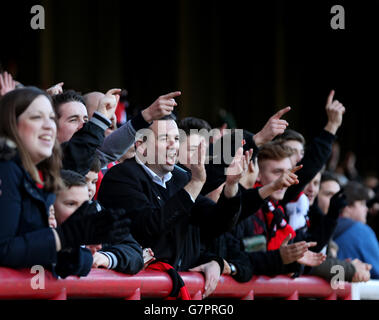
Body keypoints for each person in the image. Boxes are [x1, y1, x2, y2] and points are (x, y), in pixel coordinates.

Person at [98, 115, 246, 299]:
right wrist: (196, 183)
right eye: (164, 139)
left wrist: (231, 187)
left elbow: (217, 223)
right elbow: (149, 229)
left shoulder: (181, 177)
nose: (173, 145)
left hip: (173, 289)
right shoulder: (121, 177)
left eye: (176, 139)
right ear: (141, 145)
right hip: (137, 291)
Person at [0, 87, 130, 277]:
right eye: (36, 117)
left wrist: (77, 242)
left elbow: (51, 260)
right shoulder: (6, 170)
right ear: (12, 124)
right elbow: (4, 250)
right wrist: (63, 236)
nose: (48, 126)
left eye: (51, 118)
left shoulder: (42, 176)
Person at [54, 169, 144, 274]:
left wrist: (107, 258)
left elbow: (134, 253)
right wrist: (85, 256)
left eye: (85, 205)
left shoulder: (98, 221)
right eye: (71, 204)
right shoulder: (39, 232)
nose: (80, 211)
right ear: (50, 206)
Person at [333, 181, 379, 279]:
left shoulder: (323, 226)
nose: (366, 209)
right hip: (354, 292)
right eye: (362, 204)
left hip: (322, 290)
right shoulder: (361, 231)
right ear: (347, 207)